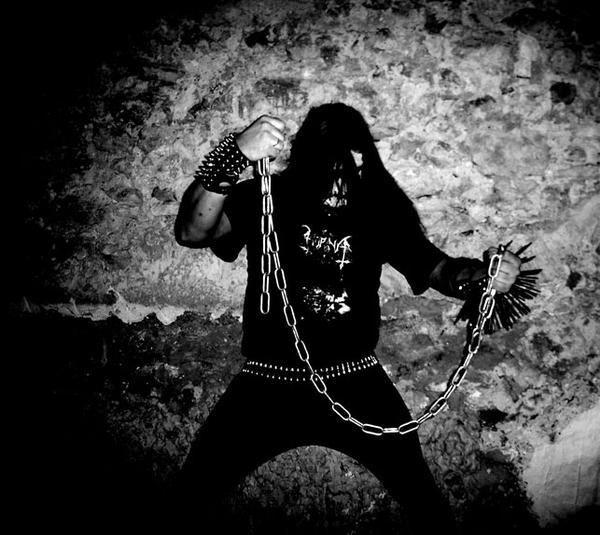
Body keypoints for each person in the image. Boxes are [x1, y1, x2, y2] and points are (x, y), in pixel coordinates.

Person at [173, 103, 521, 532]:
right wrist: (236, 152)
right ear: (307, 160)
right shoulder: (266, 196)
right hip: (268, 378)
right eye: (329, 168)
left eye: (351, 169)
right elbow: (191, 231)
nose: (339, 185)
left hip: (354, 378)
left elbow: (437, 268)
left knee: (427, 508)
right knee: (189, 498)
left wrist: (483, 277)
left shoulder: (378, 208)